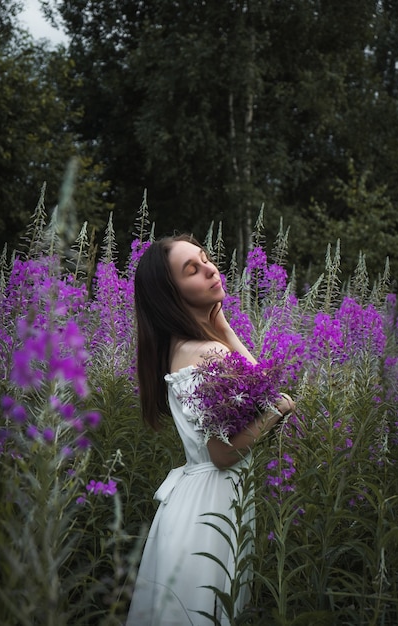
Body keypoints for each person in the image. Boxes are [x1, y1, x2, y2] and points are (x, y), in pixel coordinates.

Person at [126, 234, 295, 626]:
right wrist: (279, 411)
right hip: (211, 513)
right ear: (171, 294)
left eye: (206, 260)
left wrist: (223, 326)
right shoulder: (207, 354)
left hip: (191, 506)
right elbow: (224, 451)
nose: (210, 269)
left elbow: (256, 389)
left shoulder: (182, 348)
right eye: (193, 270)